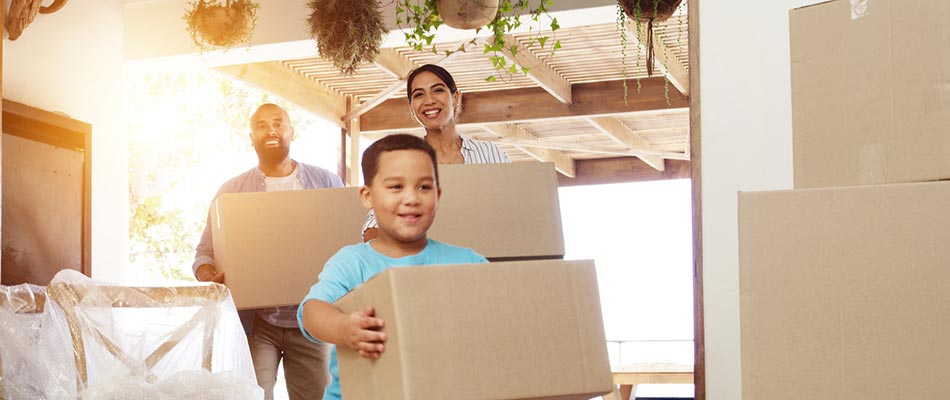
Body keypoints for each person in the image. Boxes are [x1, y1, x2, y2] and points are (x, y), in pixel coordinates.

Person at [298, 134, 488, 400]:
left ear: (438, 194)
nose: (411, 198)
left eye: (424, 187)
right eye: (396, 187)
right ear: (367, 196)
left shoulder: (468, 263)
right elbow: (312, 312)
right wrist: (344, 329)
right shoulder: (352, 262)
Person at [193, 103, 341, 400]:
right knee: (252, 396)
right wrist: (209, 274)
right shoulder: (231, 191)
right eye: (261, 125)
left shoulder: (326, 183)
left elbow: (346, 244)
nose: (271, 130)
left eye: (278, 123)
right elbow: (204, 251)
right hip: (257, 325)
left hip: (310, 321)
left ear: (291, 131)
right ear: (251, 137)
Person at [361, 64, 511, 241]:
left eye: (437, 90)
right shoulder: (401, 162)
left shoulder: (490, 154)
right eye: (419, 95)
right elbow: (373, 227)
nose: (429, 100)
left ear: (455, 97)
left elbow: (513, 211)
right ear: (411, 106)